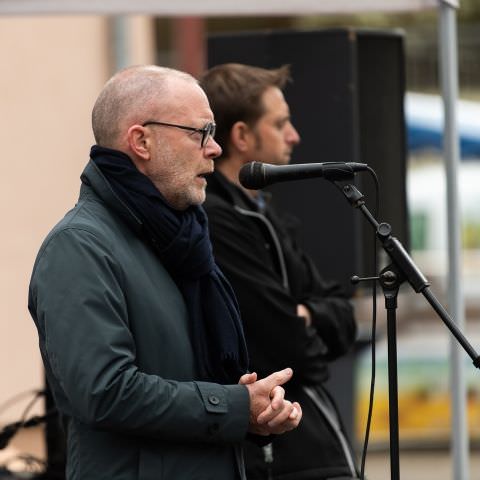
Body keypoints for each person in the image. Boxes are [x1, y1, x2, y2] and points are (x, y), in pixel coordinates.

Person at [28, 65, 303, 480]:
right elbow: (105, 392)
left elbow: (195, 385)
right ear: (141, 140)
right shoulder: (79, 246)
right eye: (200, 133)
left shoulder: (183, 240)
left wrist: (253, 413)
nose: (214, 149)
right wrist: (233, 405)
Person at [200, 63, 359, 479]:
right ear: (241, 136)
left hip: (310, 434)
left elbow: (343, 315)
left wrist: (309, 315)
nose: (295, 136)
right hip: (278, 454)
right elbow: (288, 343)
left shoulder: (265, 215)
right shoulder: (219, 221)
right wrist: (305, 321)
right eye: (281, 123)